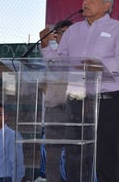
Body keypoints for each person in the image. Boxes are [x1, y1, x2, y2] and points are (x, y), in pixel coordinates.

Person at [41, 0, 119, 182]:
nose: (85, 1)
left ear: (107, 5)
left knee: (105, 158)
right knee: (75, 156)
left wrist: (99, 66)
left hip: (107, 102)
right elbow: (59, 64)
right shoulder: (73, 30)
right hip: (76, 101)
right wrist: (46, 46)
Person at [38, 19, 72, 180]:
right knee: (52, 159)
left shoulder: (79, 56)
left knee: (74, 157)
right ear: (56, 36)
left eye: (69, 33)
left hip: (74, 111)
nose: (65, 37)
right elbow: (41, 83)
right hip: (54, 111)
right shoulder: (47, 55)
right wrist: (45, 45)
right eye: (62, 33)